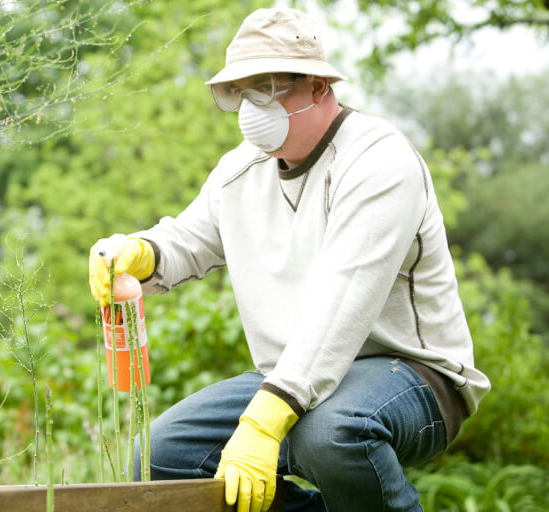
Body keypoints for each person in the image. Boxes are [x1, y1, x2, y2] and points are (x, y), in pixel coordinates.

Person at [87, 7, 490, 512]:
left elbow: (344, 304)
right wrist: (138, 253)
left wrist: (263, 420)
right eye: (240, 91)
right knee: (160, 460)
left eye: (268, 87)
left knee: (328, 433)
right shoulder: (240, 171)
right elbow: (188, 239)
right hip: (294, 377)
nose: (250, 106)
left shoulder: (379, 161)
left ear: (318, 85)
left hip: (412, 372)